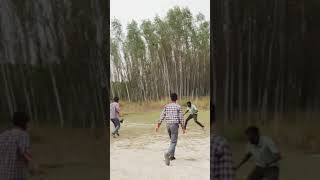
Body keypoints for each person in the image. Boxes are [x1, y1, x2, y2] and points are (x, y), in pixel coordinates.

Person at [0, 112, 38, 180]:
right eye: (28, 123)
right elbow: (26, 154)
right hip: (16, 175)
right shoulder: (23, 135)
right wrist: (32, 167)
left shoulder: (3, 135)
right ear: (24, 123)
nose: (29, 125)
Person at [155, 93, 186, 166]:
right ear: (177, 98)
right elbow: (181, 118)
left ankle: (172, 156)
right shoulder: (178, 107)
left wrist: (158, 126)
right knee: (173, 142)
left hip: (168, 125)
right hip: (174, 125)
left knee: (172, 141)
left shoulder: (166, 106)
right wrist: (183, 128)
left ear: (170, 98)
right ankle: (168, 154)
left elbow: (162, 116)